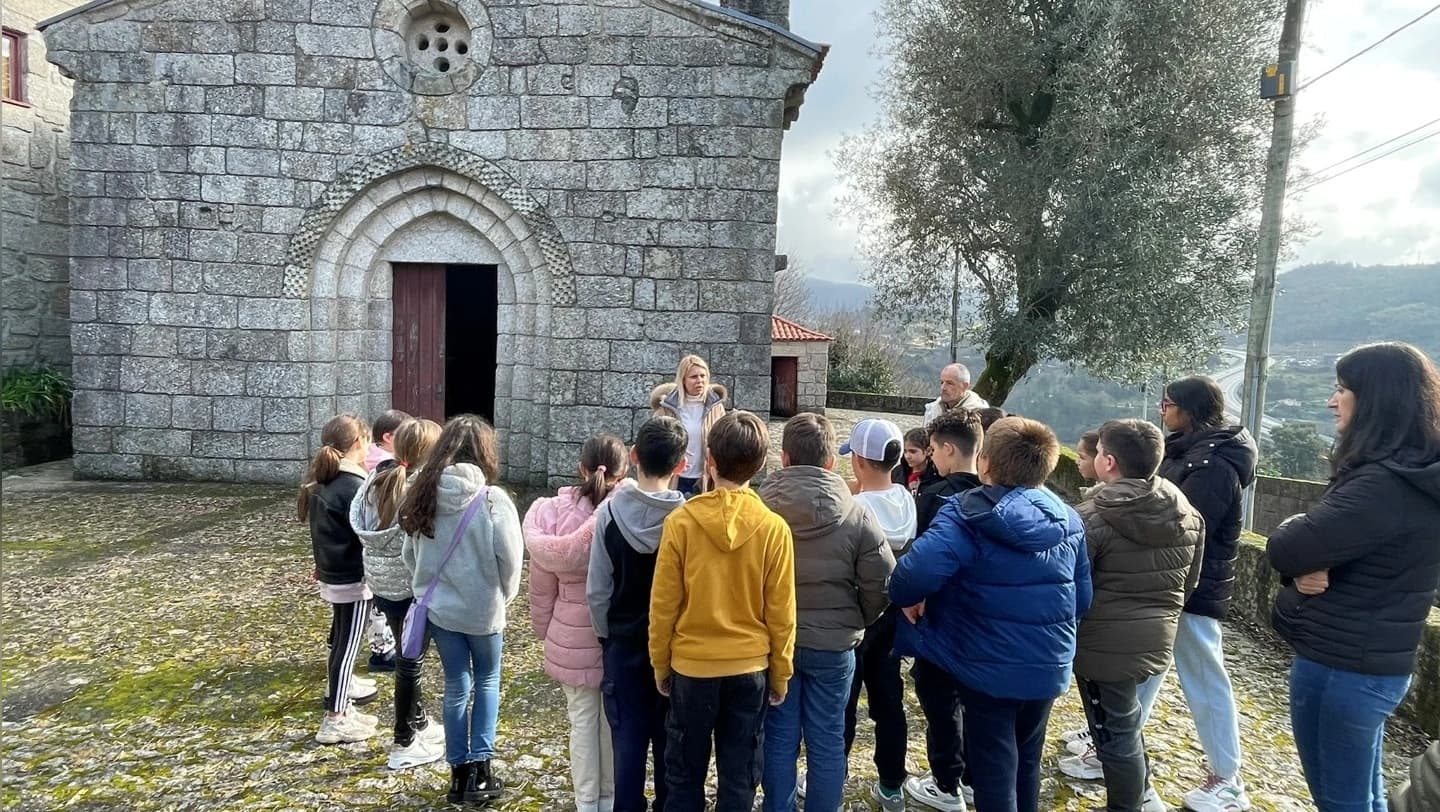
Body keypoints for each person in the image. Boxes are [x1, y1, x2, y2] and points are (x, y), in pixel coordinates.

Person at [1267, 342, 1440, 812]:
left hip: (1343, 667)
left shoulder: (1384, 485)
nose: (1331, 401)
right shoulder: (1411, 475)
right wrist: (1303, 562)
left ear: (1377, 400)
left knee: (1341, 800)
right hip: (1368, 662)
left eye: (1342, 389)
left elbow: (1286, 546)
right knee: (1364, 796)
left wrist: (1293, 543)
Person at [891, 417, 1091, 812]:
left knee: (993, 768)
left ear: (984, 463)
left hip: (986, 663)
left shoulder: (968, 515)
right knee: (1026, 761)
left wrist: (911, 597)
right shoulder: (1068, 519)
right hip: (1047, 661)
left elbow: (911, 575)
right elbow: (1082, 598)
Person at [649, 411, 796, 812]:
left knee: (682, 776)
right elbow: (781, 613)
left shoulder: (681, 523)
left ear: (709, 459)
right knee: (740, 778)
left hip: (692, 668)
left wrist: (661, 663)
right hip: (749, 669)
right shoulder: (773, 528)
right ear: (761, 464)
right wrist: (781, 672)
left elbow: (663, 605)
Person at [1060, 419, 1204, 812]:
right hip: (1157, 634)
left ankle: (1129, 803)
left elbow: (1072, 588)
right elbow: (1190, 583)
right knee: (1124, 723)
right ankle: (1140, 794)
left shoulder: (1091, 517)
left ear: (1107, 461)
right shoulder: (1185, 511)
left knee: (1113, 733)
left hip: (1102, 644)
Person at [1130, 375, 1256, 812]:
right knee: (1147, 668)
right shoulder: (1191, 449)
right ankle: (1118, 744)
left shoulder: (1215, 463)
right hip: (1171, 581)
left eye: (1168, 403)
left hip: (1195, 586)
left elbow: (1187, 523)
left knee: (1204, 675)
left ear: (1190, 409)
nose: (1162, 409)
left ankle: (1227, 776)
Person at [758, 413, 895, 812]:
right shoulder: (856, 514)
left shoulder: (761, 511)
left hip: (775, 642)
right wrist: (859, 618)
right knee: (828, 738)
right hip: (834, 644)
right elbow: (882, 582)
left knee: (780, 738)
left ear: (784, 458)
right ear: (831, 462)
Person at [399, 415, 523, 806]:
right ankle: (481, 772)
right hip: (484, 610)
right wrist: (504, 596)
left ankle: (457, 775)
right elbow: (512, 560)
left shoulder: (422, 494)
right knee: (487, 681)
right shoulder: (492, 500)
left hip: (442, 611)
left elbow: (409, 554)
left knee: (456, 685)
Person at [588, 417, 690, 812]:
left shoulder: (609, 515)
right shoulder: (686, 520)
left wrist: (604, 636)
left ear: (633, 457)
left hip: (623, 642)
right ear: (682, 465)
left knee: (627, 739)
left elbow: (598, 589)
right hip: (675, 648)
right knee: (670, 738)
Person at [525, 434, 630, 812]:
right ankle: (611, 794)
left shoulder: (550, 514)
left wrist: (544, 629)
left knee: (581, 721)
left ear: (581, 468)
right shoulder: (628, 511)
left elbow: (541, 588)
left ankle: (588, 802)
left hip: (568, 628)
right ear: (625, 469)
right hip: (617, 631)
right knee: (613, 721)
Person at [349, 417, 445, 769]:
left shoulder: (377, 476)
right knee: (410, 662)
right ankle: (404, 741)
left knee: (407, 654)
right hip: (408, 585)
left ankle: (418, 720)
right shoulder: (418, 488)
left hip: (383, 584)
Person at [841, 418, 918, 811]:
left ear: (857, 461)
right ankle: (892, 783)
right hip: (893, 617)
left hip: (857, 616)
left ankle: (832, 774)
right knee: (889, 702)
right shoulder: (906, 499)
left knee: (846, 702)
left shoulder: (855, 508)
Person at [300, 413, 380, 745]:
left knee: (340, 641)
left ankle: (342, 697)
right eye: (368, 441)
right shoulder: (355, 487)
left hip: (334, 573)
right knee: (347, 647)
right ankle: (335, 718)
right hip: (353, 578)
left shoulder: (324, 480)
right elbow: (368, 535)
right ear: (358, 442)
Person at [362, 410, 411, 673]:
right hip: (381, 545)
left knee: (372, 603)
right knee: (377, 603)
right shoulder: (387, 467)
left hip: (368, 543)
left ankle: (382, 646)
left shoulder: (366, 459)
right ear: (389, 437)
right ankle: (382, 651)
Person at [649, 354, 727, 496]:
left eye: (703, 376)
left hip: (705, 479)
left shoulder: (716, 408)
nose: (700, 381)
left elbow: (724, 443)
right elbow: (654, 444)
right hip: (674, 478)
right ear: (683, 380)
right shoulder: (667, 408)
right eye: (694, 377)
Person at [915, 410, 985, 537]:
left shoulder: (934, 495)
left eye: (933, 449)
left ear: (948, 449)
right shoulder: (994, 494)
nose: (932, 457)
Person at [922, 363, 989, 425]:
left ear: (964, 386)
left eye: (949, 383)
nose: (943, 388)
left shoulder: (979, 413)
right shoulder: (932, 409)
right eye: (942, 382)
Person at [892, 427, 931, 495]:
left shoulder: (934, 476)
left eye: (913, 452)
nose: (907, 456)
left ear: (927, 451)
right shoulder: (897, 472)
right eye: (905, 451)